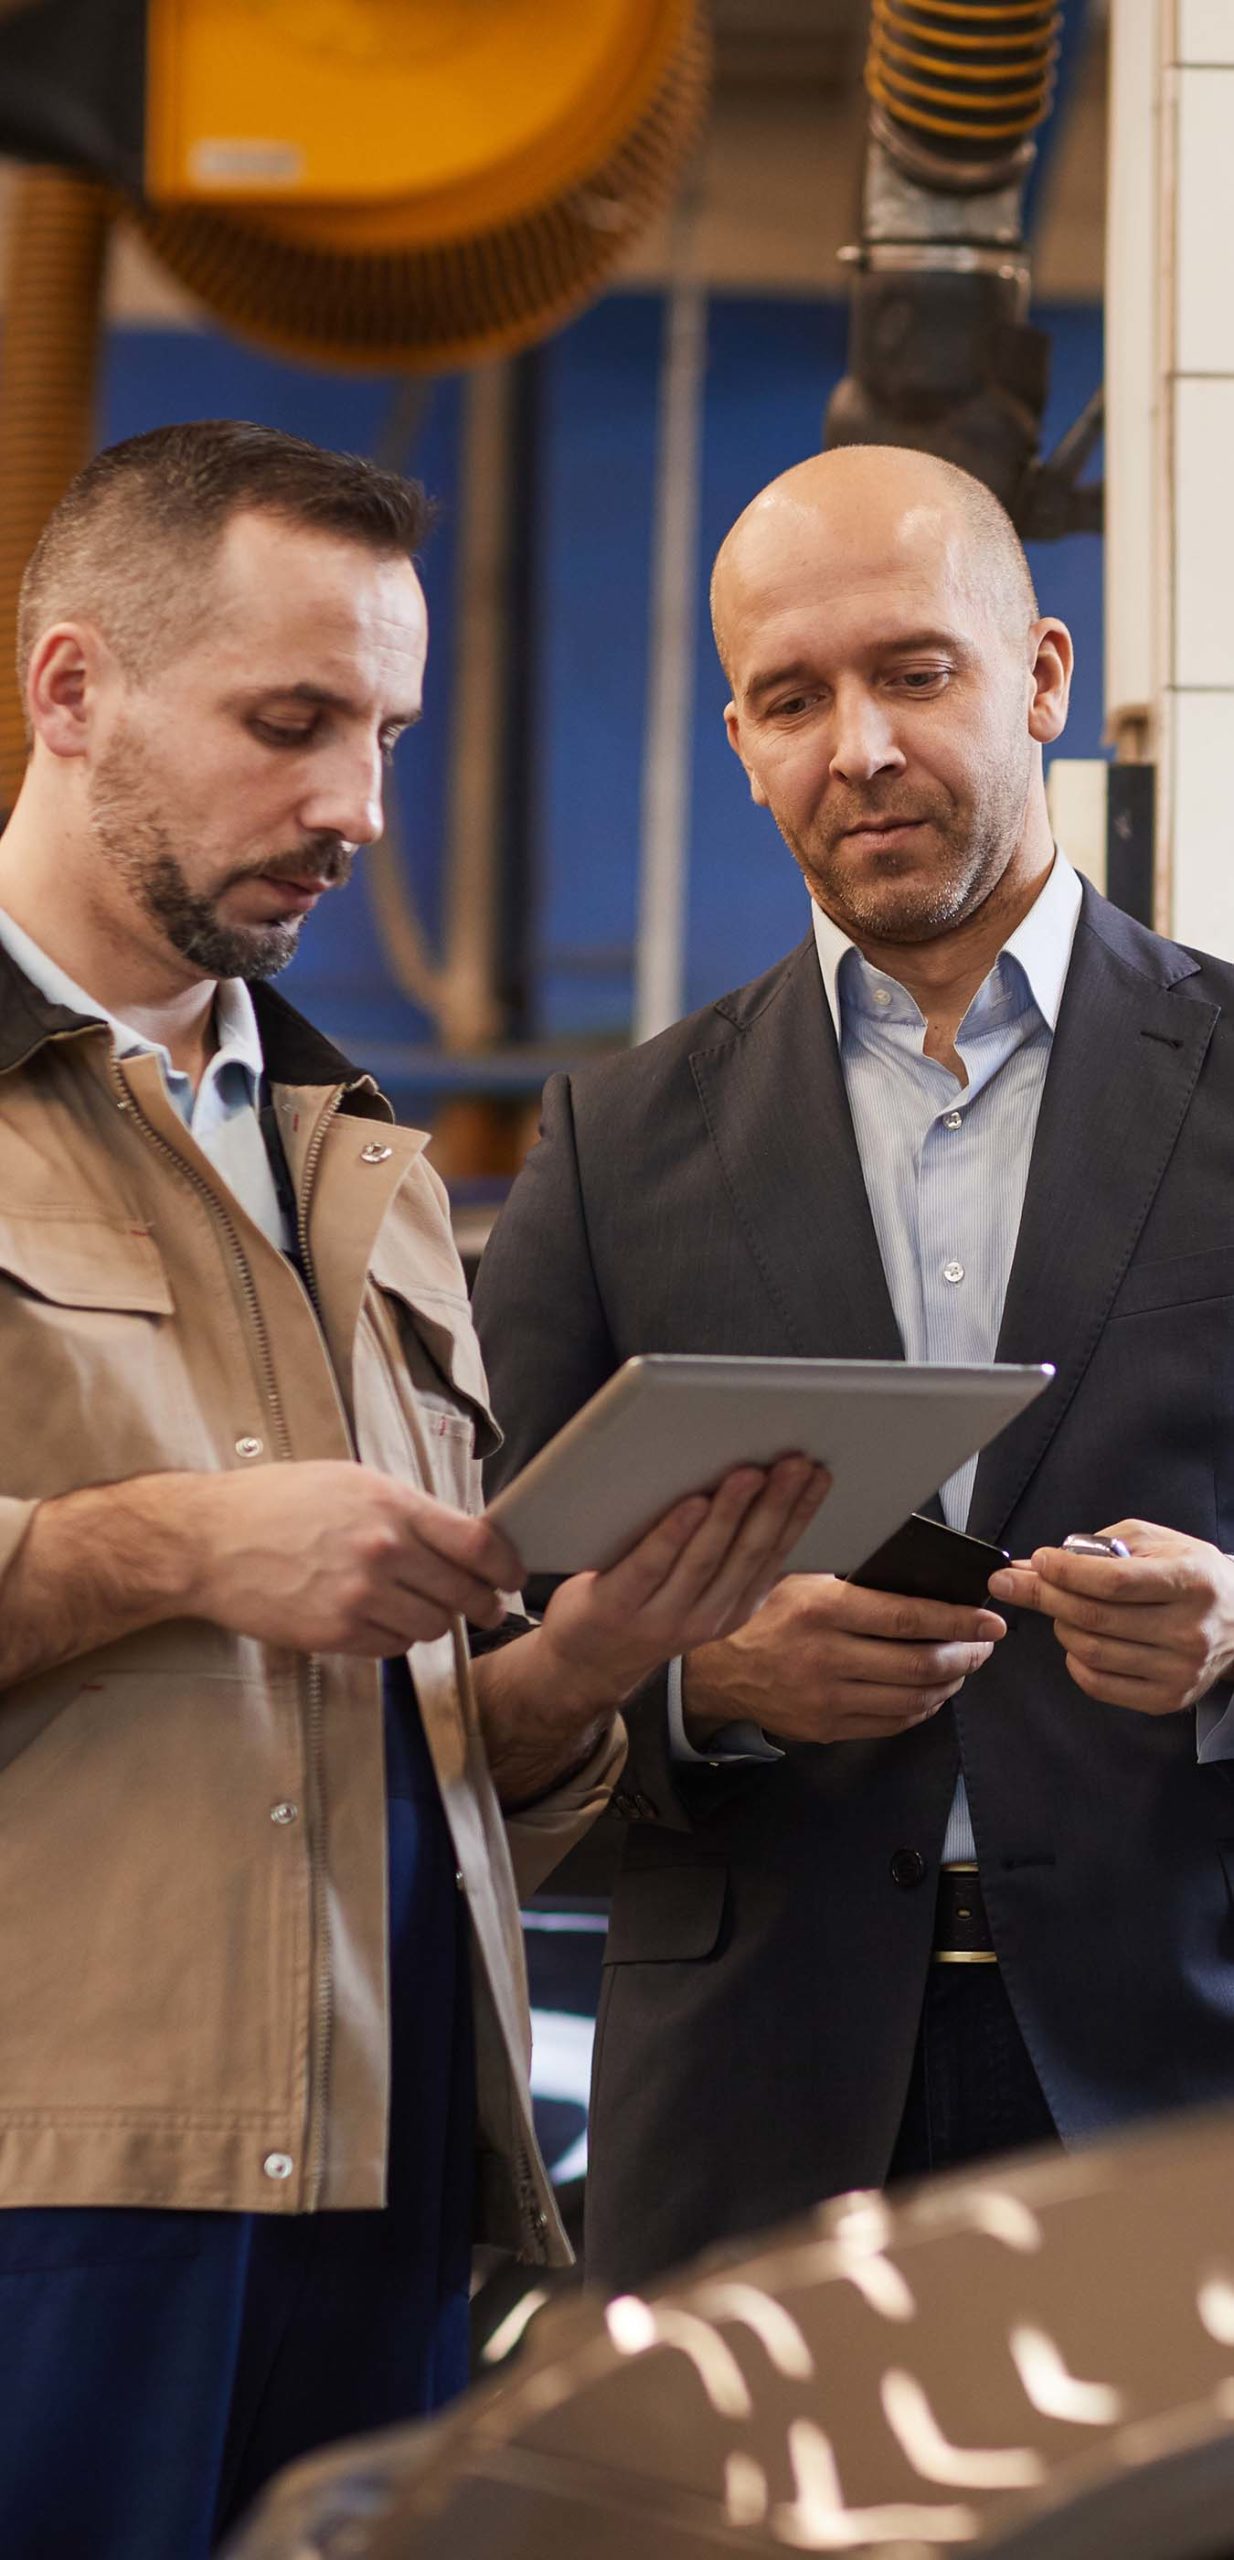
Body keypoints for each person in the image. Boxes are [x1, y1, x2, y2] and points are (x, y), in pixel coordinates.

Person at [0, 418, 829, 2558]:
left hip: (381, 2184)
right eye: (290, 725)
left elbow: (449, 1748)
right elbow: (191, 1588)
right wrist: (167, 1541)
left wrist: (595, 1656)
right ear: (71, 691)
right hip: (52, 2181)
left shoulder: (346, 1161)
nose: (355, 808)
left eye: (382, 732)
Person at [475, 443, 1234, 2297]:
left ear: (1040, 677)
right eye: (790, 699)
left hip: (1180, 2083)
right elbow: (472, 1626)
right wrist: (695, 1678)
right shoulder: (614, 1139)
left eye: (913, 673)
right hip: (752, 2104)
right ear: (737, 740)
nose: (858, 750)